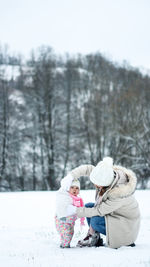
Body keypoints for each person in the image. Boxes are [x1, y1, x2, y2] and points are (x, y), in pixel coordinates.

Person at [66, 157, 141, 249]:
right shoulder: (105, 173)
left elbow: (99, 210)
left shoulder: (119, 194)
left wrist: (75, 211)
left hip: (126, 228)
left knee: (95, 221)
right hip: (115, 216)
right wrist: (71, 176)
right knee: (88, 206)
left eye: (97, 184)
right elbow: (87, 169)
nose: (95, 185)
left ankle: (123, 241)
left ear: (106, 183)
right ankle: (94, 236)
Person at [55, 176, 85, 248]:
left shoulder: (78, 199)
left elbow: (79, 209)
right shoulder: (66, 197)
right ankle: (65, 246)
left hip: (70, 221)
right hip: (62, 220)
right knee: (66, 233)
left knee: (71, 232)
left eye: (77, 188)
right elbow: (64, 207)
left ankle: (65, 243)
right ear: (68, 188)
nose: (74, 190)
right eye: (72, 187)